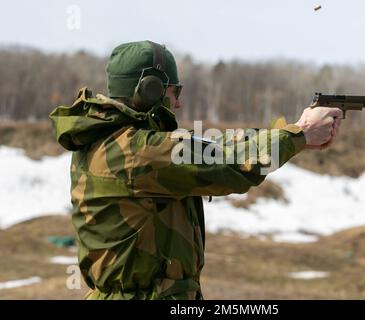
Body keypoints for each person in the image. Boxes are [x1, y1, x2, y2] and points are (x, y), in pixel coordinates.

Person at [49, 40, 343, 300]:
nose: (178, 102)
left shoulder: (119, 143)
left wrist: (294, 134)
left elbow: (213, 146)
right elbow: (227, 161)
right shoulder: (138, 152)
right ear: (150, 90)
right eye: (174, 91)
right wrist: (300, 133)